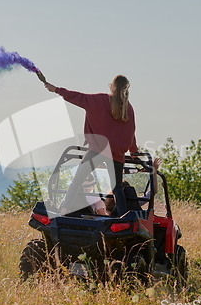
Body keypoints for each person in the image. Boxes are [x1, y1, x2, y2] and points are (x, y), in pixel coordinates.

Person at [44, 75, 138, 216]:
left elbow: (77, 97)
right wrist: (134, 153)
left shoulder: (100, 100)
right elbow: (131, 132)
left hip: (97, 151)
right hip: (117, 155)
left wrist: (56, 89)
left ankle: (62, 212)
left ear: (111, 86)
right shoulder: (128, 108)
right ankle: (123, 217)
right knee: (117, 188)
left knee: (77, 181)